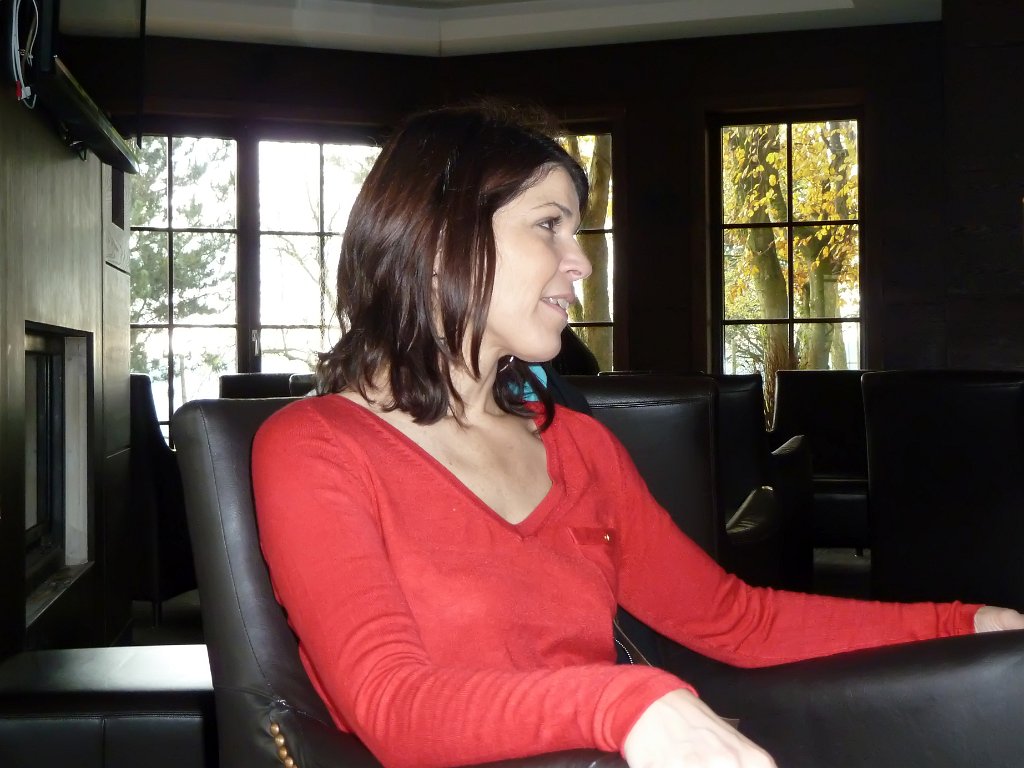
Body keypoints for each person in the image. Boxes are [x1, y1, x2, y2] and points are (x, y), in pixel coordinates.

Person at [251, 104, 1024, 768]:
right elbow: (394, 705)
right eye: (549, 226)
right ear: (439, 239)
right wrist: (628, 704)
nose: (580, 262)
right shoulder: (316, 447)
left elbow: (735, 619)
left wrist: (960, 622)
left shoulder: (577, 447)